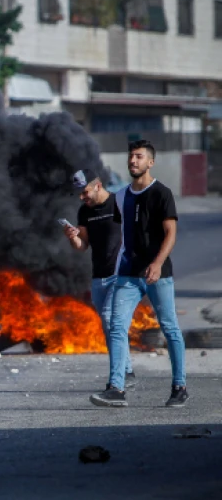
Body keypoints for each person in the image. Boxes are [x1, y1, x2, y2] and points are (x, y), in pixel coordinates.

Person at [89, 140, 187, 408]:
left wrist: (156, 263)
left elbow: (171, 233)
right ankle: (116, 388)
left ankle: (179, 387)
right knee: (117, 326)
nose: (133, 161)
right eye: (131, 157)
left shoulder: (162, 193)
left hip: (159, 274)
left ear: (150, 162)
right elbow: (122, 236)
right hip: (127, 275)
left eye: (139, 157)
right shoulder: (120, 196)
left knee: (170, 328)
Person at [62, 168, 136, 388]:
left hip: (120, 275)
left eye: (85, 192)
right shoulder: (84, 212)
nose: (82, 197)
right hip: (98, 278)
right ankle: (128, 370)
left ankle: (117, 381)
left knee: (109, 319)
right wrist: (72, 237)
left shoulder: (119, 204)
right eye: (79, 194)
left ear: (98, 185)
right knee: (110, 328)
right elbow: (82, 246)